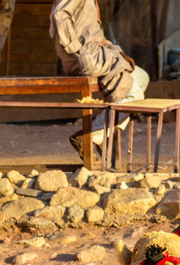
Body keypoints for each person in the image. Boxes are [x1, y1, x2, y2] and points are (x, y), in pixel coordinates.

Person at [49, 0, 150, 158]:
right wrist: (76, 49)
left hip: (97, 54)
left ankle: (104, 131)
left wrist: (119, 52)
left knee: (141, 77)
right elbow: (59, 15)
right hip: (85, 59)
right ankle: (90, 135)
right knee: (133, 95)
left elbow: (95, 37)